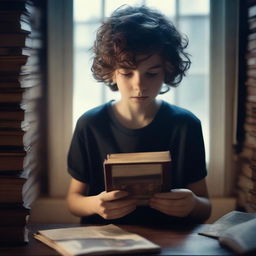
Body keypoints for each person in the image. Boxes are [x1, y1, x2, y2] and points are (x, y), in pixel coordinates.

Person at [66, 5, 211, 225]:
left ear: (167, 70)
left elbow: (205, 208)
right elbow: (73, 201)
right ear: (111, 73)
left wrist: (191, 205)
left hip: (170, 242)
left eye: (151, 73)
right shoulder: (91, 124)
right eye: (127, 73)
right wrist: (96, 205)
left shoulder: (186, 125)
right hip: (104, 240)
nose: (139, 85)